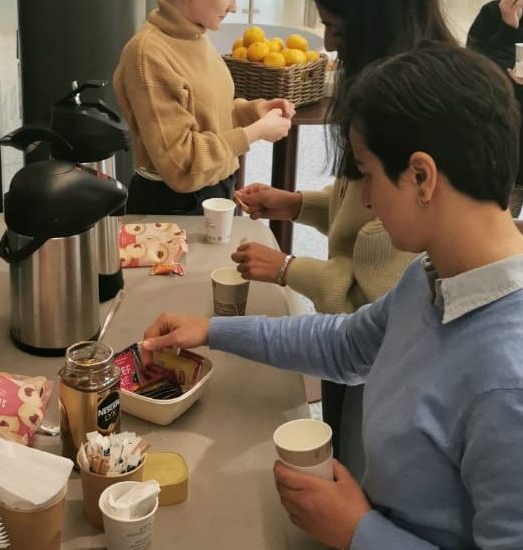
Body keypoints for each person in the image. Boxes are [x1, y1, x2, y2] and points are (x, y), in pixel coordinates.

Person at [141, 42, 523, 548]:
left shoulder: (506, 381)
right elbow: (344, 344)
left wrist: (358, 531)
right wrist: (211, 330)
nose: (365, 199)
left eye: (367, 175)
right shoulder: (432, 276)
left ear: (421, 177)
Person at [230, 0, 456, 477]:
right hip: (362, 351)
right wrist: (297, 204)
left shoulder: (412, 109)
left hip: (377, 372)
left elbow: (362, 308)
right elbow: (359, 213)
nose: (329, 42)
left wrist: (288, 268)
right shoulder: (395, 101)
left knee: (357, 468)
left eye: (335, 27)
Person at [112, 0, 294, 215]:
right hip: (171, 206)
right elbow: (181, 164)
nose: (233, 7)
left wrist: (253, 112)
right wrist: (255, 132)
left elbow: (206, 115)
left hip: (213, 191)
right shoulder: (147, 55)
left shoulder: (196, 38)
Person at [468, 0, 523, 217]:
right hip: (504, 131)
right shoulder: (491, 14)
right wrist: (507, 28)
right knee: (504, 212)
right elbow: (475, 72)